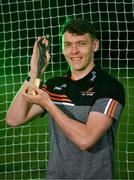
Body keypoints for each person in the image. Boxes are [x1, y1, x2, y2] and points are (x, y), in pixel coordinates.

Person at [6, 18, 125, 179]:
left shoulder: (109, 87)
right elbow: (14, 119)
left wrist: (49, 105)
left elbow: (86, 139)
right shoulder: (54, 86)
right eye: (68, 44)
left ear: (95, 45)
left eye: (81, 43)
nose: (74, 51)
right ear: (62, 48)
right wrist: (34, 72)